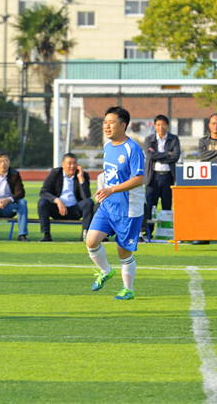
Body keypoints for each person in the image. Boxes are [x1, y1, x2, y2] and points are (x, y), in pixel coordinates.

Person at [86, 106, 145, 301]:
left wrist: (112, 189)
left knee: (123, 252)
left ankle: (128, 289)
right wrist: (105, 190)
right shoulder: (107, 146)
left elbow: (139, 179)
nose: (106, 126)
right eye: (105, 122)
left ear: (123, 125)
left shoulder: (132, 149)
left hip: (128, 209)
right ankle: (106, 271)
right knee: (91, 241)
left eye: (111, 122)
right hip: (108, 206)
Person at [37, 153, 94, 242]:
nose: (72, 166)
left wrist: (81, 179)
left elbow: (86, 197)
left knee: (89, 202)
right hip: (58, 210)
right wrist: (57, 200)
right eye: (69, 163)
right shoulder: (55, 173)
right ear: (63, 164)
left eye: (74, 163)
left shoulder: (83, 175)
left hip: (75, 210)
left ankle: (85, 234)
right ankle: (46, 235)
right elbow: (43, 192)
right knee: (42, 203)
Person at [143, 114, 180, 242]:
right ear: (154, 126)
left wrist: (157, 155)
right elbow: (149, 155)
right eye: (158, 125)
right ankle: (148, 232)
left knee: (167, 205)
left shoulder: (174, 139)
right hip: (153, 177)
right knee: (150, 205)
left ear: (167, 125)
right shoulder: (149, 139)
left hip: (168, 177)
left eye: (163, 124)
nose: (161, 127)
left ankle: (165, 232)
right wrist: (166, 154)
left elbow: (175, 156)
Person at [198, 113, 217, 242]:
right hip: (207, 179)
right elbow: (201, 155)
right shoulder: (203, 141)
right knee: (206, 209)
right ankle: (205, 236)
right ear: (209, 125)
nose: (216, 126)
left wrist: (210, 158)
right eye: (213, 123)